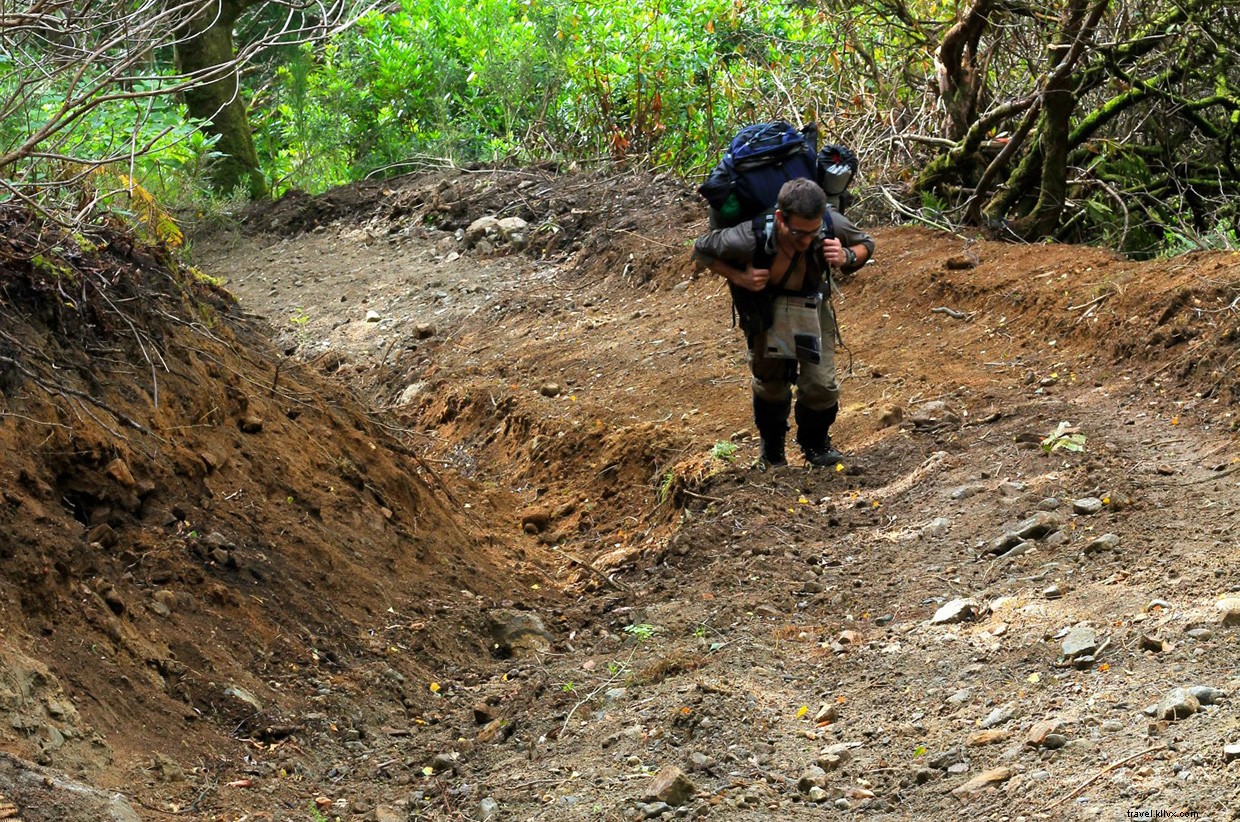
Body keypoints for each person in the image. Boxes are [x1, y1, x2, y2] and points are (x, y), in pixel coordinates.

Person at [692, 177, 875, 468]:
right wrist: (740, 278)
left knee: (821, 384)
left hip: (813, 308)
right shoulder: (748, 236)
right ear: (779, 218)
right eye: (798, 233)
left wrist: (847, 255)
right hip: (766, 311)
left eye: (812, 232)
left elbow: (866, 242)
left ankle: (816, 444)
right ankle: (772, 448)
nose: (807, 241)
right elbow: (702, 249)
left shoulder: (828, 223)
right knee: (770, 383)